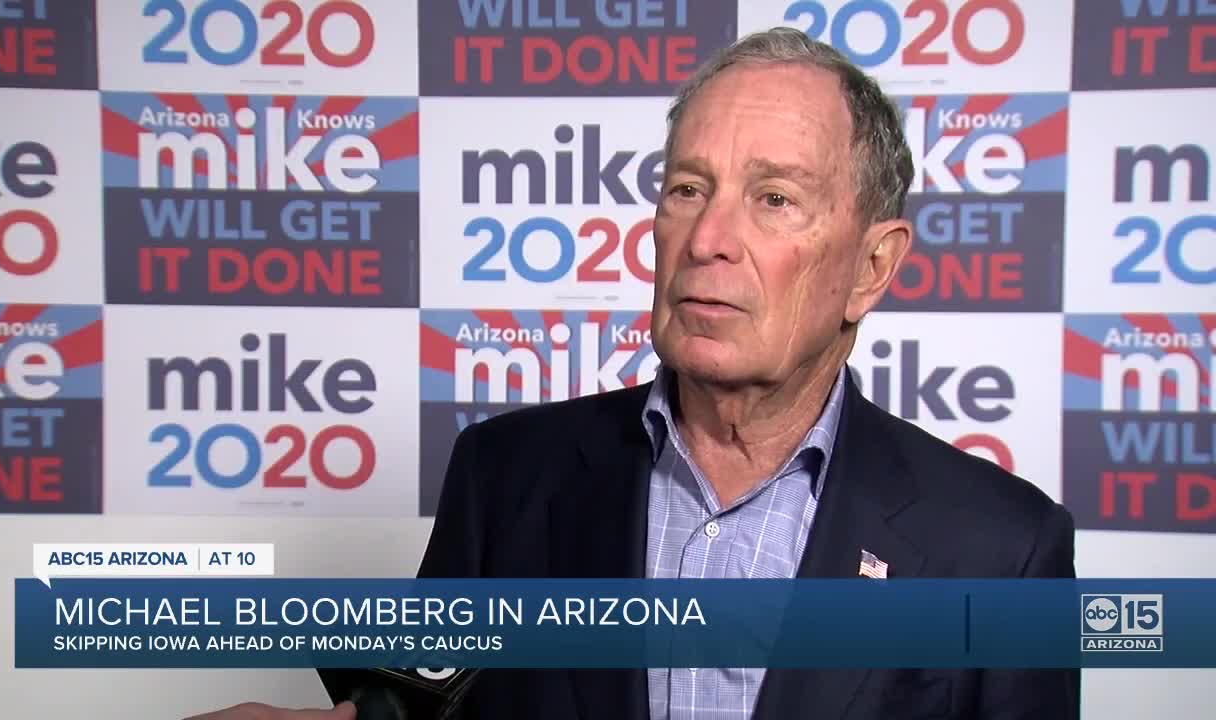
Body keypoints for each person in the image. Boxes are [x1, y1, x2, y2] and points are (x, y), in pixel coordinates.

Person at [192, 26, 1078, 720]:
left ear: (871, 269)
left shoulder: (1002, 553)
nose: (707, 239)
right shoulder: (506, 477)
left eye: (774, 199)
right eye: (688, 188)